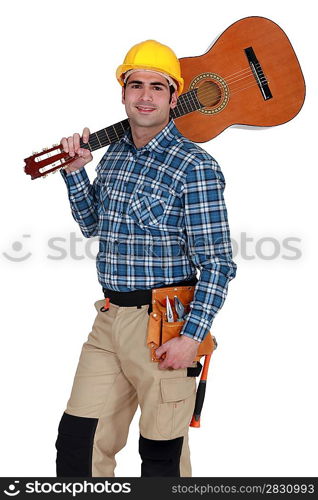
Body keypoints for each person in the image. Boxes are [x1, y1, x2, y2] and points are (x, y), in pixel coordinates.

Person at [55, 39, 237, 477]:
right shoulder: (114, 155)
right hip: (109, 316)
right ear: (122, 93)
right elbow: (93, 224)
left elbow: (218, 264)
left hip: (164, 324)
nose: (145, 96)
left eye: (158, 86)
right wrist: (76, 173)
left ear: (176, 97)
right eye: (135, 84)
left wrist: (192, 337)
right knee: (79, 445)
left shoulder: (195, 167)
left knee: (162, 458)